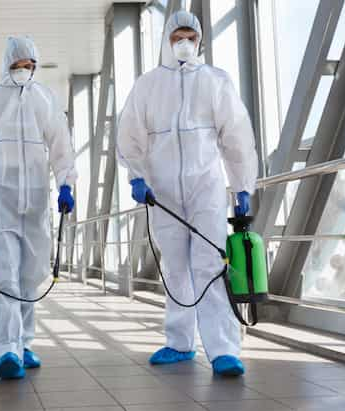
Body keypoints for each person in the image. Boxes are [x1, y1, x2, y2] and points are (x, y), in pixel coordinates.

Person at [116, 10, 258, 376]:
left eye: (191, 38)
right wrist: (136, 176)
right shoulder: (148, 85)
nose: (184, 44)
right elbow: (129, 135)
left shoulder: (216, 81)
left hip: (205, 187)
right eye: (178, 36)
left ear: (199, 42)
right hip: (162, 189)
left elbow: (237, 137)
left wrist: (242, 185)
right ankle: (179, 342)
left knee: (210, 264)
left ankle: (224, 349)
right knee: (175, 266)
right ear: (166, 40)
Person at [0, 36, 77, 380]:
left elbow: (60, 144)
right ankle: (7, 348)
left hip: (37, 199)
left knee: (29, 275)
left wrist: (67, 182)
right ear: (6, 66)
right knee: (7, 274)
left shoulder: (45, 99)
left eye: (29, 66)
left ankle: (25, 342)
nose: (23, 71)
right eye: (17, 65)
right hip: (1, 199)